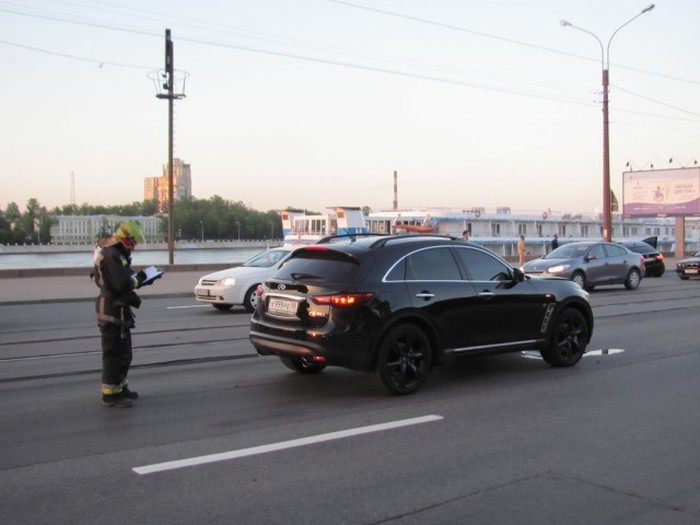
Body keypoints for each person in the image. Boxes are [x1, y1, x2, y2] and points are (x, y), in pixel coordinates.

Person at [92, 221, 161, 408]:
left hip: (116, 307)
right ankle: (110, 395)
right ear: (126, 239)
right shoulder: (112, 254)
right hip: (112, 308)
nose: (135, 244)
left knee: (124, 352)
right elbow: (122, 283)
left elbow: (123, 276)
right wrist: (142, 280)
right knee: (114, 353)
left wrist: (139, 277)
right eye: (134, 241)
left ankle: (120, 387)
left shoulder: (114, 252)